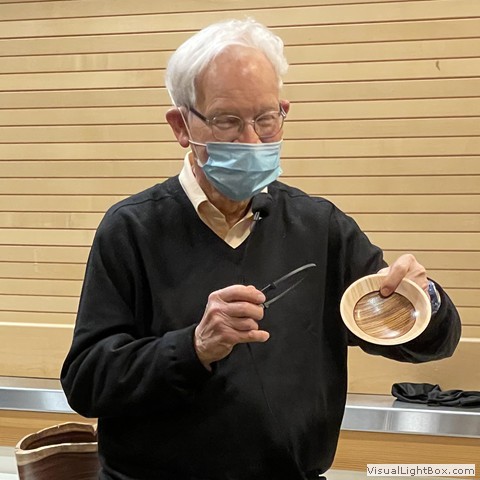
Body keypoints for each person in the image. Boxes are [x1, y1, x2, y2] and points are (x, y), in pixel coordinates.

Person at [61, 18, 461, 480]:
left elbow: (429, 342)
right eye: (227, 121)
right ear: (181, 125)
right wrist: (193, 348)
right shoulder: (131, 229)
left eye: (266, 119)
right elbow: (86, 381)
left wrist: (423, 300)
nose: (251, 140)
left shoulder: (321, 227)